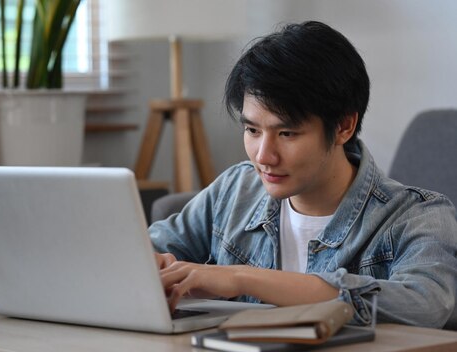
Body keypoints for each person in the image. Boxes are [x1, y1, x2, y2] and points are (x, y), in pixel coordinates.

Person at [149, 20, 457, 329]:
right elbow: (149, 248)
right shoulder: (235, 190)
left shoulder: (419, 216)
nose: (263, 156)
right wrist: (151, 265)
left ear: (343, 127)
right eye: (252, 130)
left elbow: (425, 305)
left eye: (287, 133)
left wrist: (241, 278)